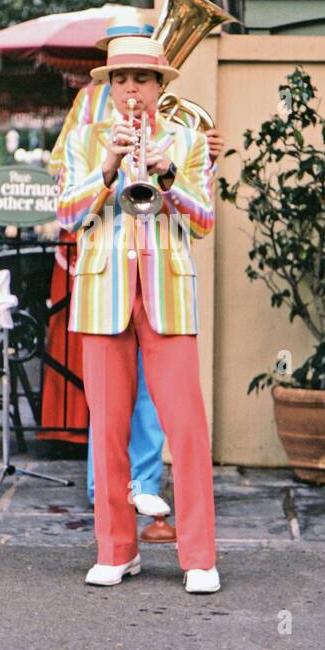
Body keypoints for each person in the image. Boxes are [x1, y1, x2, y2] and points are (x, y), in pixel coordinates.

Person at [56, 34, 219, 593]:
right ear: (109, 86)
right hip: (103, 294)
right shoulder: (83, 139)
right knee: (107, 428)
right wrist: (107, 167)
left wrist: (167, 171)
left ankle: (198, 556)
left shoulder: (189, 141)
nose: (131, 88)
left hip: (167, 294)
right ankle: (116, 549)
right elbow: (69, 214)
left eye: (141, 79)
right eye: (120, 79)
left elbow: (202, 222)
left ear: (158, 88)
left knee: (188, 429)